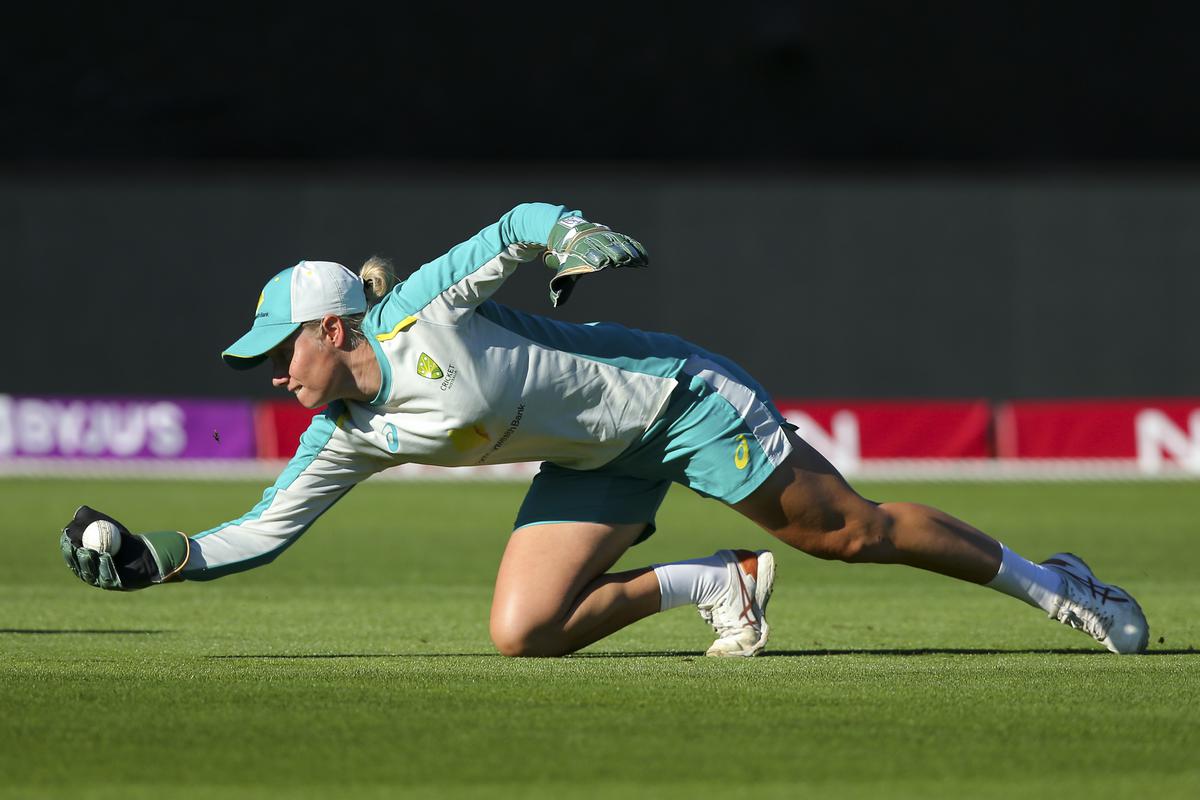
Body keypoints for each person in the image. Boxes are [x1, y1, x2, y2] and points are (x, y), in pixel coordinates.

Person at [61, 202, 1149, 657]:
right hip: (593, 461)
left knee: (847, 531)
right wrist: (168, 560)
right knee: (524, 632)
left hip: (673, 401)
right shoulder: (339, 430)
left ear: (334, 325)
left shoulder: (420, 309)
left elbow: (521, 226)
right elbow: (268, 525)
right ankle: (717, 583)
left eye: (277, 349)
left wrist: (571, 233)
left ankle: (1059, 583)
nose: (272, 373)